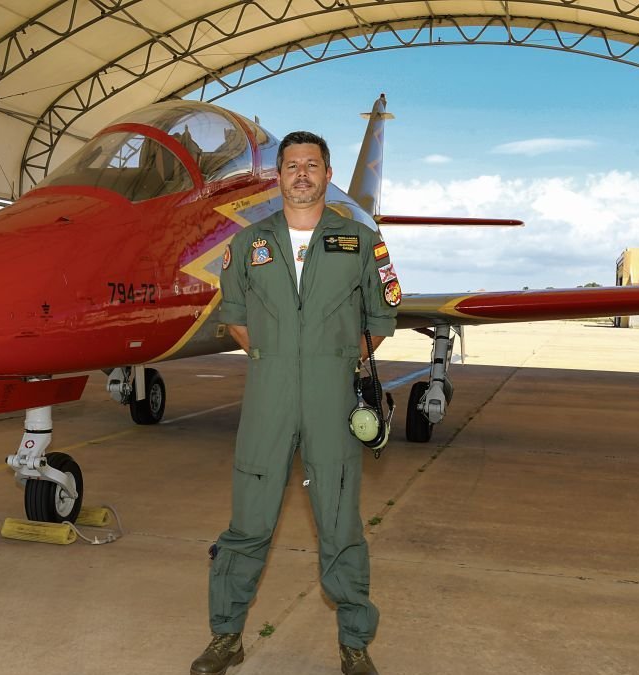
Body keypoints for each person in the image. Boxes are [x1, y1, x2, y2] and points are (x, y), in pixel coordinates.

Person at [190, 131, 399, 675]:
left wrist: (334, 357)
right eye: (291, 165)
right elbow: (233, 314)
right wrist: (271, 354)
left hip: (333, 400)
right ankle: (227, 636)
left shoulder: (361, 242)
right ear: (277, 176)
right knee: (248, 524)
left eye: (312, 165)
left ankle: (354, 641)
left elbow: (380, 320)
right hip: (269, 398)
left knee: (340, 524)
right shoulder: (248, 243)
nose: (301, 173)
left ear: (328, 174)